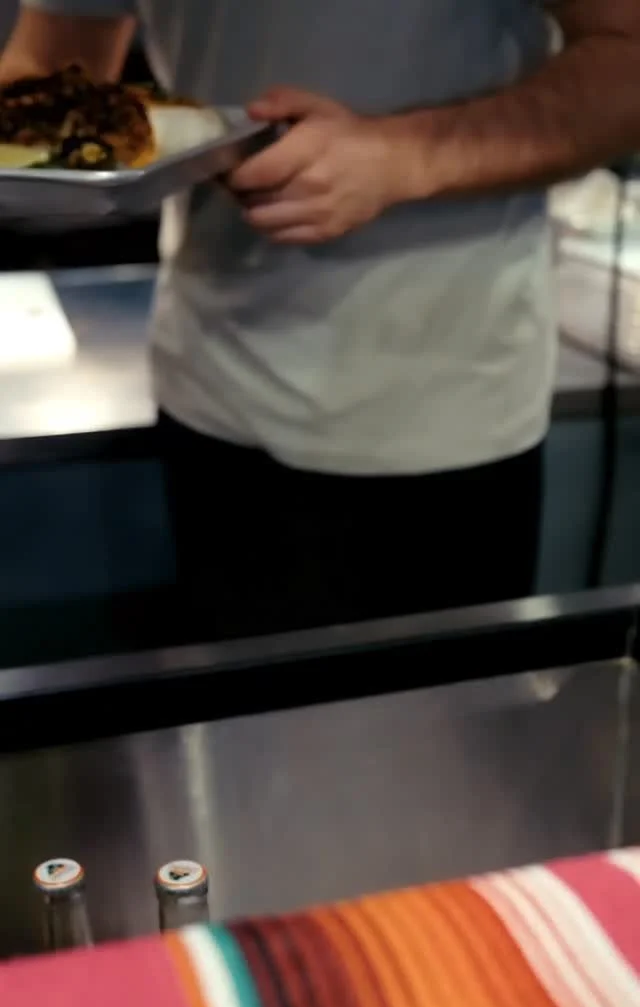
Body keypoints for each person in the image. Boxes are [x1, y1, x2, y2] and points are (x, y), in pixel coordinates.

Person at [1, 1, 639, 638]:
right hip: (206, 383)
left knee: (426, 701)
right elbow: (52, 61)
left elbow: (627, 56)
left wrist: (404, 157)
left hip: (439, 412)